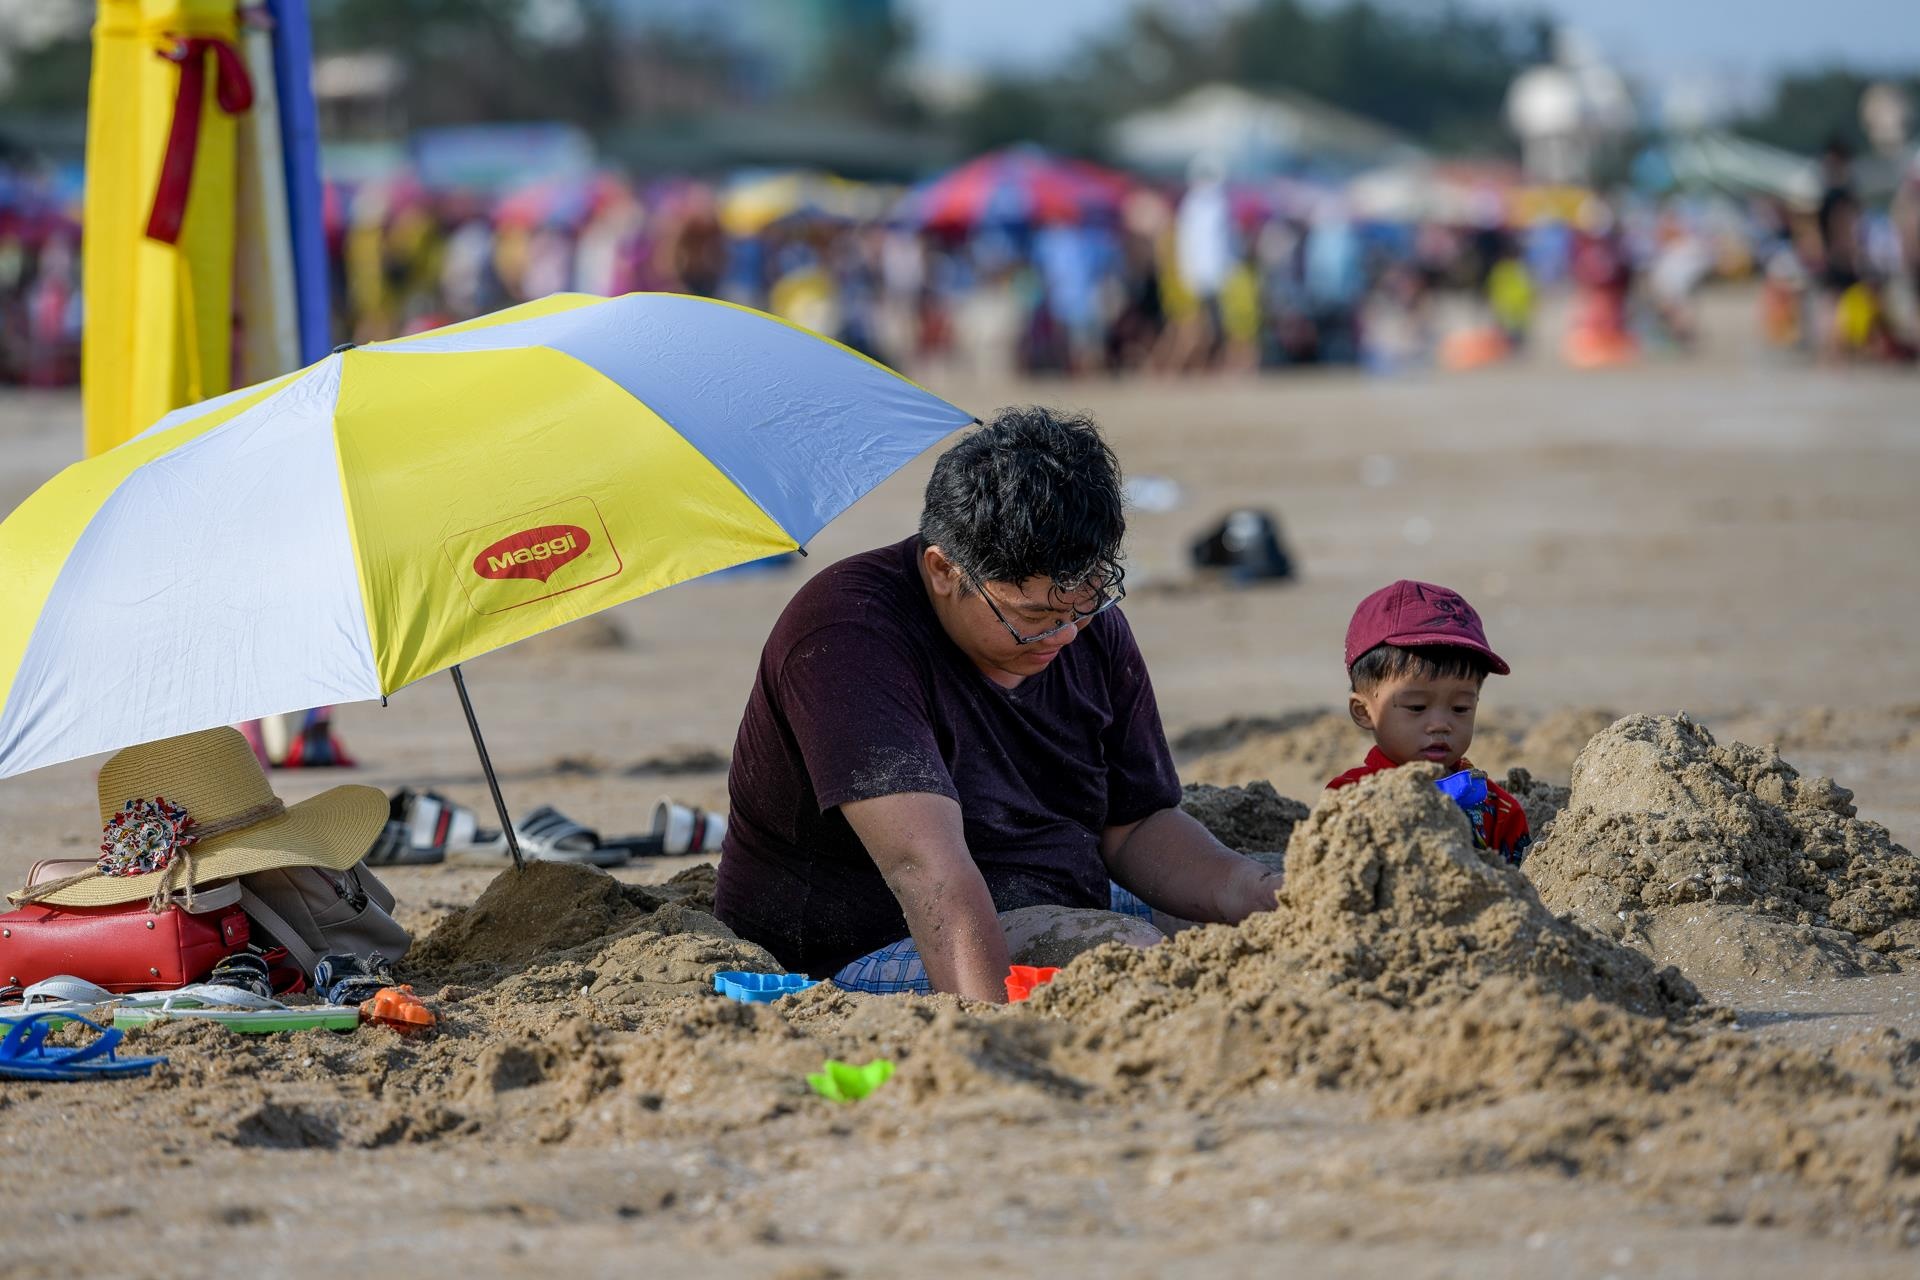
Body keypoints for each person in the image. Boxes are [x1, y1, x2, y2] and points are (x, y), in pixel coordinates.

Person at [714, 408, 1284, 1001]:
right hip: (869, 942)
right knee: (1123, 960)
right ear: (943, 570)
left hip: (1057, 889)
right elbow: (924, 871)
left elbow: (1135, 824)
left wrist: (1253, 890)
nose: (1066, 634)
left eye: (1087, 603)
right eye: (1033, 617)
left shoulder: (1082, 624)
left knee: (1293, 897)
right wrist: (986, 1032)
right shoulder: (847, 636)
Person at [1327, 580, 1532, 866]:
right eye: (1417, 707)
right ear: (1363, 711)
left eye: (1460, 708)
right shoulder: (1348, 799)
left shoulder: (1498, 809)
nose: (1440, 724)